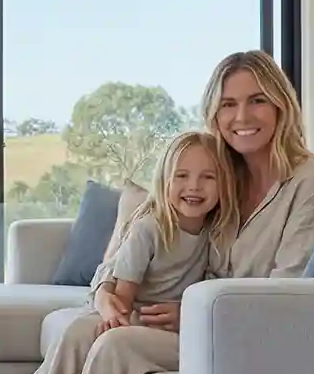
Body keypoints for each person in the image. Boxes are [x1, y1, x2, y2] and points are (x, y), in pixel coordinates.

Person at [0, 50, 314, 374]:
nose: (242, 116)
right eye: (228, 104)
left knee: (115, 345)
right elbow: (137, 241)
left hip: (246, 336)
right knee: (78, 332)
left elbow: (285, 299)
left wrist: (195, 312)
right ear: (214, 113)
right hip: (190, 323)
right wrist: (105, 292)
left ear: (281, 106)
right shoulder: (218, 173)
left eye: (257, 100)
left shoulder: (310, 184)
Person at [94, 130, 236, 334]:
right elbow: (123, 300)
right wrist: (114, 322)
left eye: (208, 177)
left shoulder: (217, 234)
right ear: (164, 181)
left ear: (224, 184)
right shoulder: (147, 229)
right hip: (136, 318)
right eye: (182, 175)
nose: (194, 186)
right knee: (78, 334)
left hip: (178, 326)